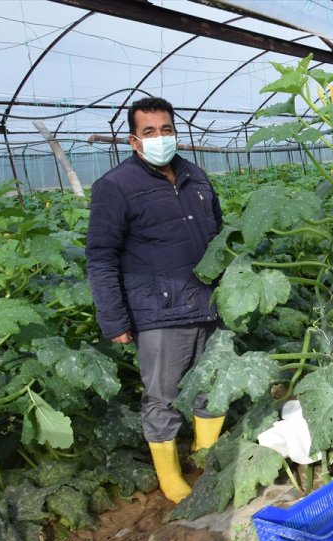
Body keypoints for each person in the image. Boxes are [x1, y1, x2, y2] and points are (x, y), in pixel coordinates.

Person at [86, 97, 224, 504]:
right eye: (150, 132)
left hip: (209, 303)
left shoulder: (195, 176)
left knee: (211, 385)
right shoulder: (115, 187)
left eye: (166, 129)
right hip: (159, 311)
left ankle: (205, 454)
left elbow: (219, 235)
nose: (160, 138)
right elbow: (101, 256)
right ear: (134, 140)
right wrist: (114, 319)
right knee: (162, 395)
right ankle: (169, 475)